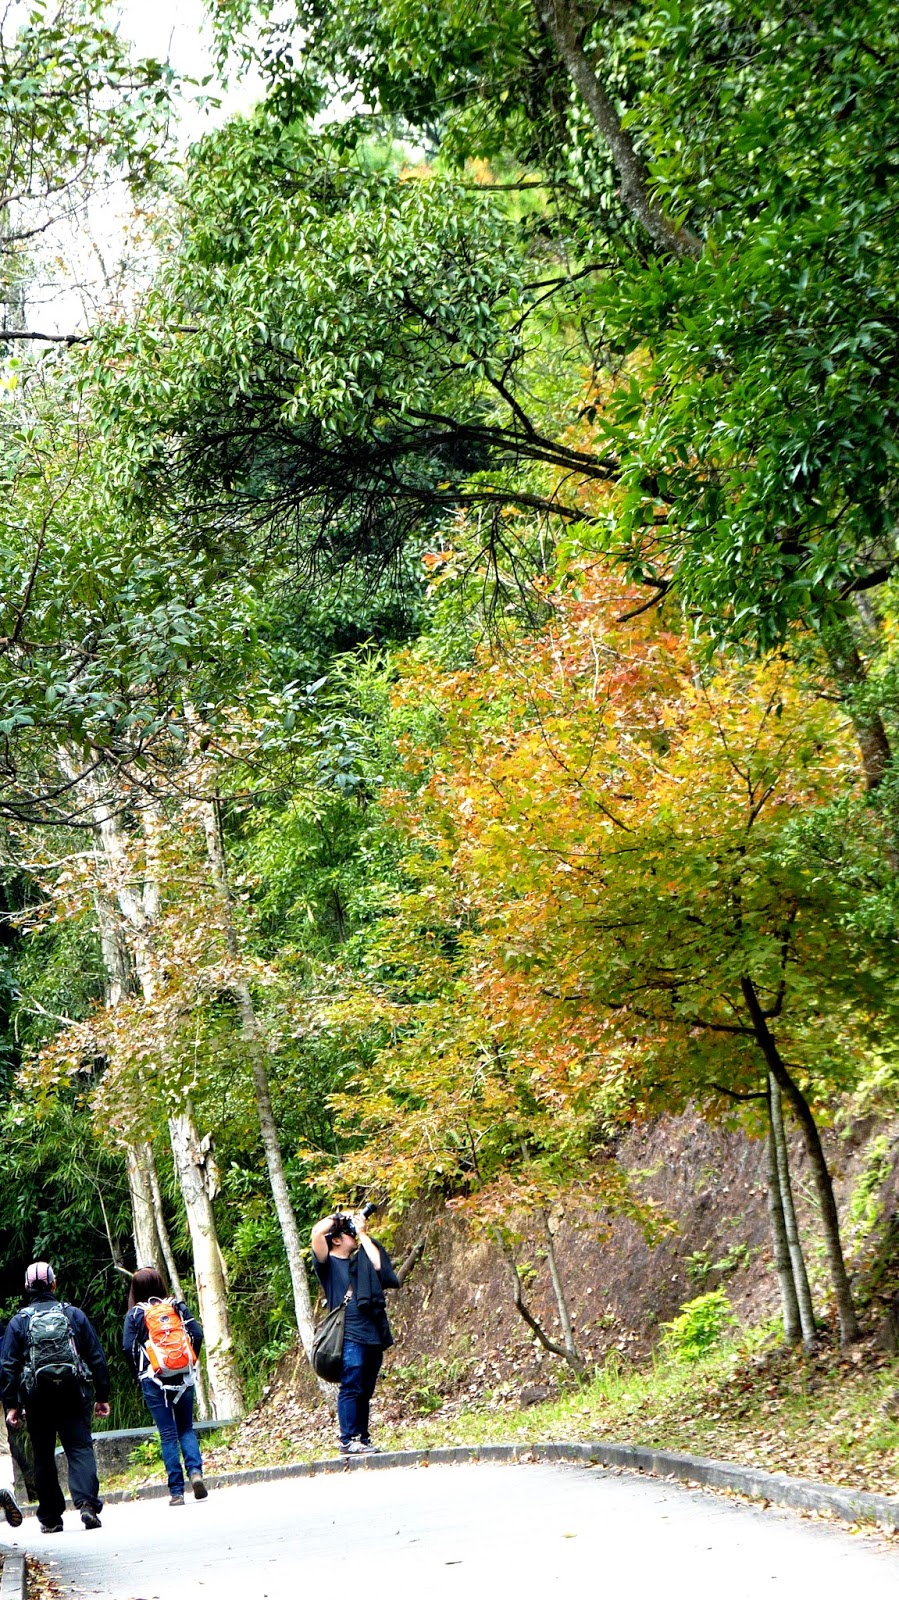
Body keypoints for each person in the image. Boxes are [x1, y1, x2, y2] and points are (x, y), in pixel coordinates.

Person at [0, 1262, 109, 1533]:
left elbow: (8, 1366)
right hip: (74, 1394)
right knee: (79, 1447)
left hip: (37, 1398)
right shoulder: (73, 1314)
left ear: (26, 1288)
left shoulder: (19, 1322)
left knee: (43, 1454)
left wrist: (12, 1405)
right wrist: (102, 1395)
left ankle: (50, 1517)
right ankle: (86, 1504)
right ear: (54, 1284)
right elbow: (96, 1357)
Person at [311, 1209, 399, 1457]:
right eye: (349, 1234)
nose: (354, 1237)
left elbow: (379, 1265)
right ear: (337, 1239)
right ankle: (347, 1440)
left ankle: (362, 1437)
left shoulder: (361, 1260)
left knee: (366, 1388)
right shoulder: (328, 1264)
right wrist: (340, 1217)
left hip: (372, 1331)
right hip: (348, 1333)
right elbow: (317, 1232)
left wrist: (362, 1232)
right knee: (351, 1384)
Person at [122, 1268, 207, 1507]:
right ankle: (195, 1473)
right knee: (186, 1428)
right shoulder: (176, 1306)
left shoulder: (135, 1314)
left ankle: (177, 1492)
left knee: (168, 1432)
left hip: (152, 1378)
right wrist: (189, 1361)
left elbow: (127, 1347)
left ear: (135, 1289)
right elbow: (197, 1334)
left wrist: (138, 1374)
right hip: (183, 1376)